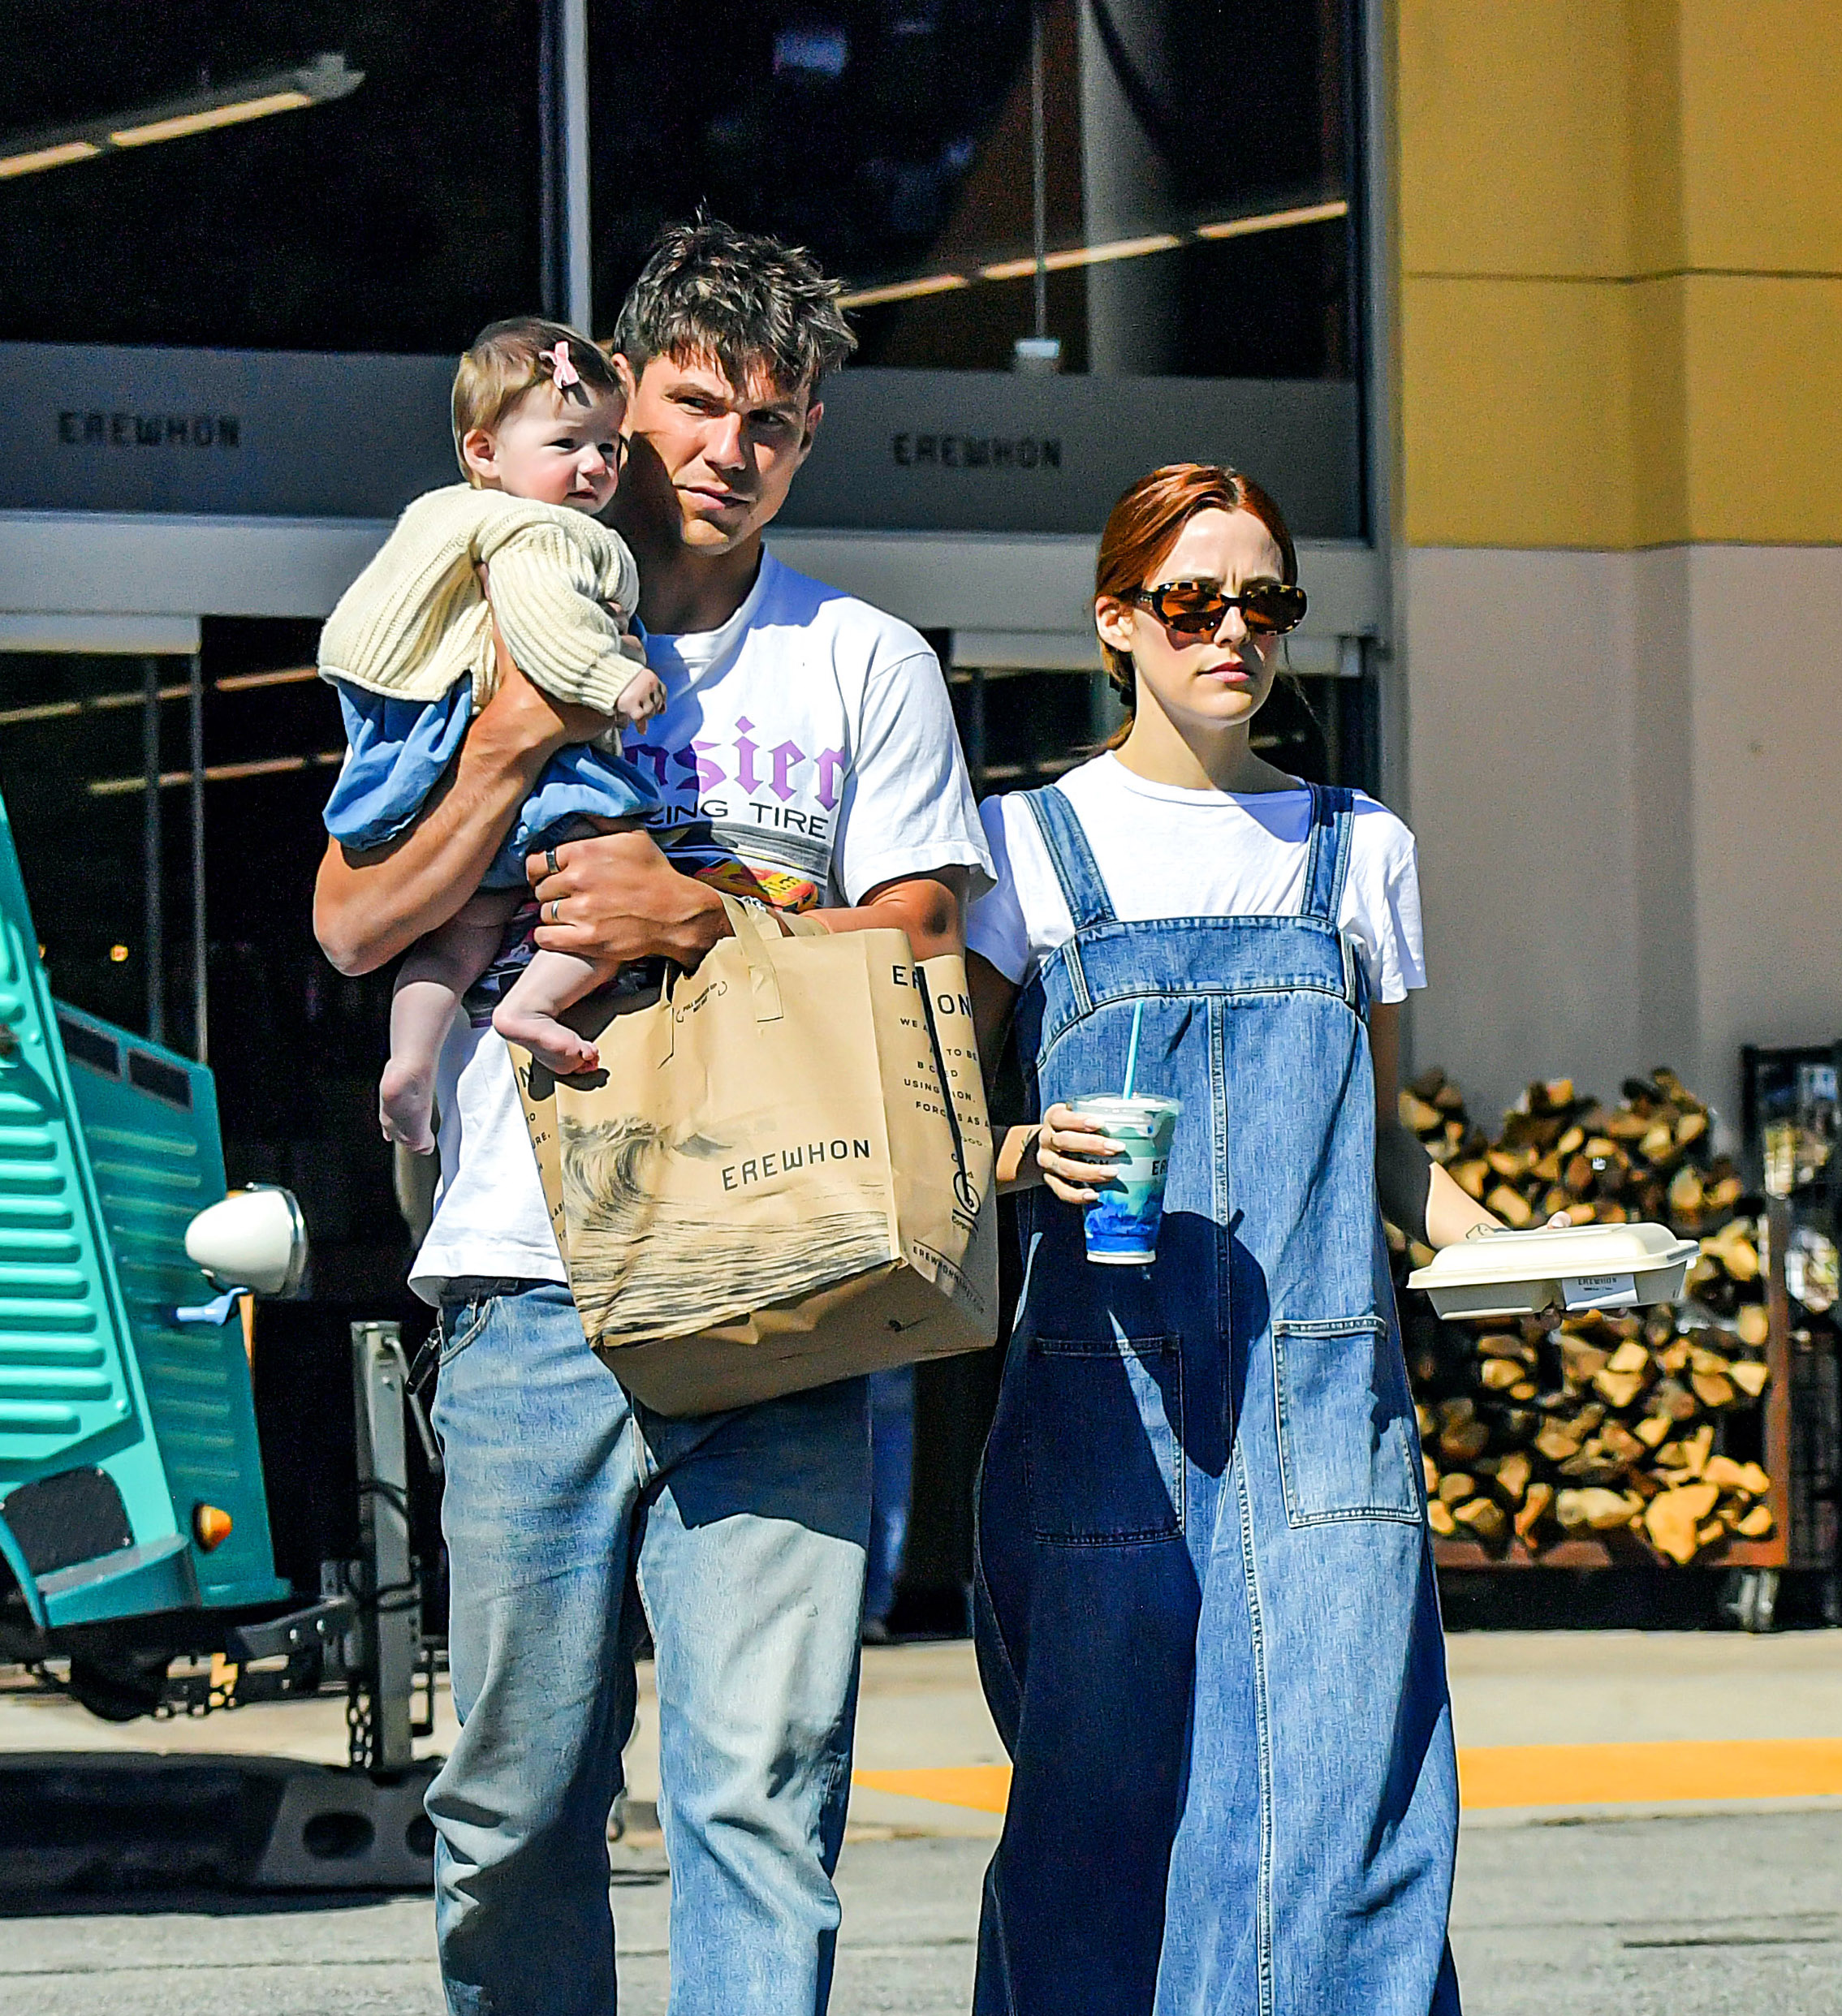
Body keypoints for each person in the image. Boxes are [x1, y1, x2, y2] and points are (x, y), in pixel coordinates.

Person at [313, 218, 991, 2016]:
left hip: (792, 1280)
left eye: (772, 423)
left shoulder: (860, 662)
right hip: (525, 1285)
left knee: (760, 1792)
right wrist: (512, 746)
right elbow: (354, 921)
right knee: (516, 1797)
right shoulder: (487, 621)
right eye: (696, 404)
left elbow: (938, 943)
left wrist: (709, 910)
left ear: (810, 439)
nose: (726, 452)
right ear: (622, 400)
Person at [964, 464, 1499, 2016]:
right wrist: (1020, 1149)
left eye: (1266, 602)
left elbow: (1383, 1138)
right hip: (1101, 1393)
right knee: (1098, 1817)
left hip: (1326, 1393)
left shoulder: (1358, 848)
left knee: (1340, 1808)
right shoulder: (1028, 848)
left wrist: (1509, 1245)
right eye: (1195, 601)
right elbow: (931, 1118)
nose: (1234, 633)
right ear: (1117, 620)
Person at [317, 317, 666, 1147]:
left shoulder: (462, 526)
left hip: (470, 808)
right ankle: (532, 1004)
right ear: (483, 453)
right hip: (545, 792)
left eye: (610, 447)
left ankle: (409, 1062)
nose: (595, 466)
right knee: (615, 877)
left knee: (456, 939)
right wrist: (614, 681)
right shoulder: (541, 535)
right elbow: (550, 636)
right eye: (567, 443)